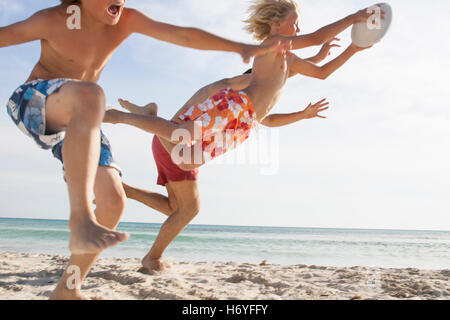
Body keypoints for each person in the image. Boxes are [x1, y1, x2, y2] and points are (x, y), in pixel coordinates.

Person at [1, 0, 289, 300]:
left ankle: (67, 290)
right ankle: (81, 217)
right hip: (33, 102)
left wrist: (241, 47)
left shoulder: (127, 20)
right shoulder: (53, 19)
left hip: (80, 121)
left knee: (114, 202)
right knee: (91, 95)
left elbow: (184, 35)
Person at [104, 0, 380, 274]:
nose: (298, 27)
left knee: (187, 162)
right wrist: (355, 16)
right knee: (183, 136)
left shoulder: (288, 59)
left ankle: (146, 121)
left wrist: (353, 49)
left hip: (243, 125)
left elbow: (321, 73)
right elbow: (318, 37)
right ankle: (121, 117)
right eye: (294, 22)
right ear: (277, 24)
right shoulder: (272, 46)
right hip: (236, 108)